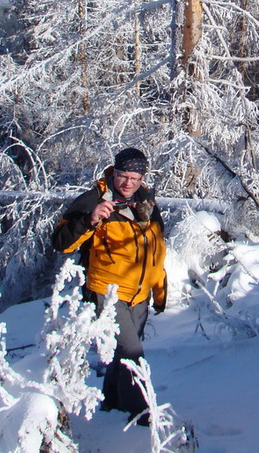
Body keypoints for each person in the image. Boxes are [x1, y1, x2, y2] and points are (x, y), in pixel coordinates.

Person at [52, 147, 167, 426]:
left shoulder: (146, 202)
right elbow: (61, 243)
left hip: (139, 293)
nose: (128, 183)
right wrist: (90, 220)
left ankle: (112, 402)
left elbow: (156, 247)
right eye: (123, 176)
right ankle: (141, 414)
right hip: (107, 290)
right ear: (113, 173)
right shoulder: (94, 199)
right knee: (131, 351)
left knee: (124, 350)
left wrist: (159, 286)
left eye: (135, 178)